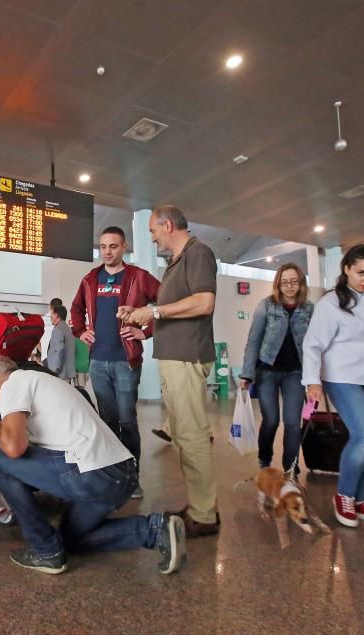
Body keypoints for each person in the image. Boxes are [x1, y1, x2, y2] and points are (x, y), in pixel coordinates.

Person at [0, 355, 185, 576]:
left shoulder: (14, 383)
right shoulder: (45, 384)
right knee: (70, 540)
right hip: (119, 473)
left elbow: (12, 450)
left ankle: (45, 551)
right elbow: (23, 460)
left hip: (92, 472)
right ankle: (155, 530)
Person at [119, 206, 218, 536]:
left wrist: (154, 311)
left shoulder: (198, 253)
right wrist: (139, 313)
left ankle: (205, 515)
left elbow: (204, 303)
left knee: (192, 437)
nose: (152, 236)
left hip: (186, 357)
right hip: (175, 358)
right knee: (183, 435)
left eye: (153, 230)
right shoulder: (178, 262)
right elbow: (171, 308)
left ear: (169, 225)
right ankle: (199, 505)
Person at [301, 244, 364, 528]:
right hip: (343, 376)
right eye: (361, 272)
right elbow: (313, 345)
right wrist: (312, 382)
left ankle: (360, 500)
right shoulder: (331, 303)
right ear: (346, 268)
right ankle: (344, 496)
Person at [71, 226, 159, 497]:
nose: (107, 251)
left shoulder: (138, 277)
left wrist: (143, 331)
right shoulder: (90, 279)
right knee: (107, 421)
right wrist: (80, 330)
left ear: (124, 248)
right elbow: (76, 308)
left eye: (113, 246)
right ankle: (112, 476)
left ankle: (133, 478)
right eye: (104, 247)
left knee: (127, 419)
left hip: (125, 361)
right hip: (98, 361)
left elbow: (163, 304)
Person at [238, 263, 314, 474]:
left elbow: (315, 345)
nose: (289, 286)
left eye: (294, 282)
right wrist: (247, 373)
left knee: (292, 423)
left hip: (296, 373)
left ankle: (291, 467)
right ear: (278, 284)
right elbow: (253, 340)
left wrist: (315, 377)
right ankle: (265, 459)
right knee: (271, 420)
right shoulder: (266, 306)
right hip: (267, 372)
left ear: (301, 284)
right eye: (284, 282)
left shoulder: (309, 308)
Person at [44, 305, 75, 382]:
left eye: (52, 314)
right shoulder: (68, 329)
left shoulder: (58, 329)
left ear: (56, 315)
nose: (50, 316)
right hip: (67, 372)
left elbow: (58, 351)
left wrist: (54, 370)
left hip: (59, 373)